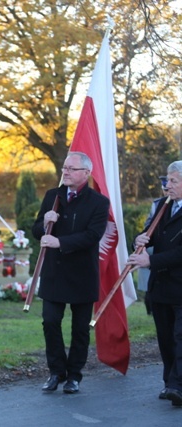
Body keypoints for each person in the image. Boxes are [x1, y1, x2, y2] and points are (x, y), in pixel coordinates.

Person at [31, 151, 110, 394]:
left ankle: (74, 375)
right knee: (50, 322)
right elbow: (36, 231)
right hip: (54, 273)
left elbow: (93, 236)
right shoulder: (52, 196)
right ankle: (56, 371)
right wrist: (45, 222)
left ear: (86, 173)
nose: (65, 172)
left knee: (80, 328)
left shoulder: (98, 202)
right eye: (64, 167)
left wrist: (60, 243)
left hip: (82, 274)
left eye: (71, 169)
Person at [128, 160, 182, 407]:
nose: (167, 186)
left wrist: (150, 260)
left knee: (181, 337)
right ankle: (170, 382)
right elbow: (149, 235)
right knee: (165, 338)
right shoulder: (162, 206)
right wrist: (139, 240)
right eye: (166, 181)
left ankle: (177, 385)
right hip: (160, 287)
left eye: (173, 181)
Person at [137, 175, 169, 314]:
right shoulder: (158, 204)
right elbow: (149, 229)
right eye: (164, 189)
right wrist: (138, 241)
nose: (167, 191)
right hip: (156, 255)